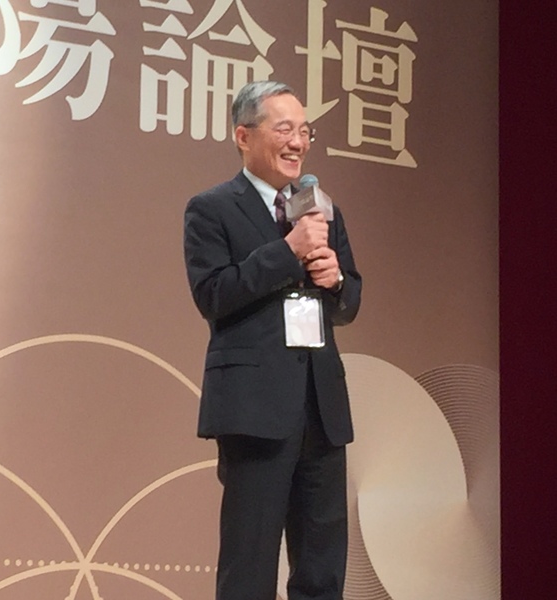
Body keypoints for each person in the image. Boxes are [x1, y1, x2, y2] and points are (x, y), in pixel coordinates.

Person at [183, 81, 362, 600]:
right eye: (284, 129)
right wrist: (289, 251)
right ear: (244, 136)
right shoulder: (212, 208)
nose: (298, 142)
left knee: (322, 570)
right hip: (255, 410)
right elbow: (213, 295)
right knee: (250, 566)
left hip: (321, 408)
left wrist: (336, 281)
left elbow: (350, 303)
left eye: (305, 131)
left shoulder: (320, 208)